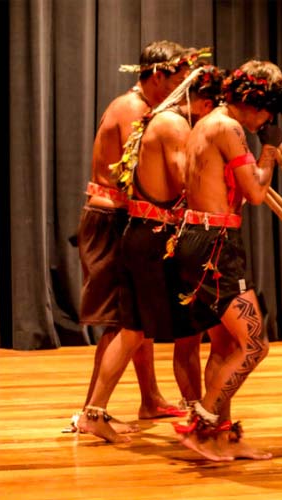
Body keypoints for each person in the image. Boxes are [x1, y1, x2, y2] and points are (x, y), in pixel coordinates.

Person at [170, 60, 282, 461]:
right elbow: (258, 193)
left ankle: (224, 436)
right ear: (252, 101)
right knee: (254, 345)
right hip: (216, 244)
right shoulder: (228, 129)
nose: (265, 118)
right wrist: (268, 151)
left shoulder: (206, 123)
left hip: (197, 238)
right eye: (265, 110)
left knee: (225, 345)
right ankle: (203, 423)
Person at [73, 42, 202, 441]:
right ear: (157, 75)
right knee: (119, 320)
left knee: (135, 319)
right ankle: (91, 413)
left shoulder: (151, 110)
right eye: (177, 83)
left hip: (122, 217)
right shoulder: (133, 110)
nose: (180, 94)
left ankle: (150, 398)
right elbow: (140, 176)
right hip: (111, 218)